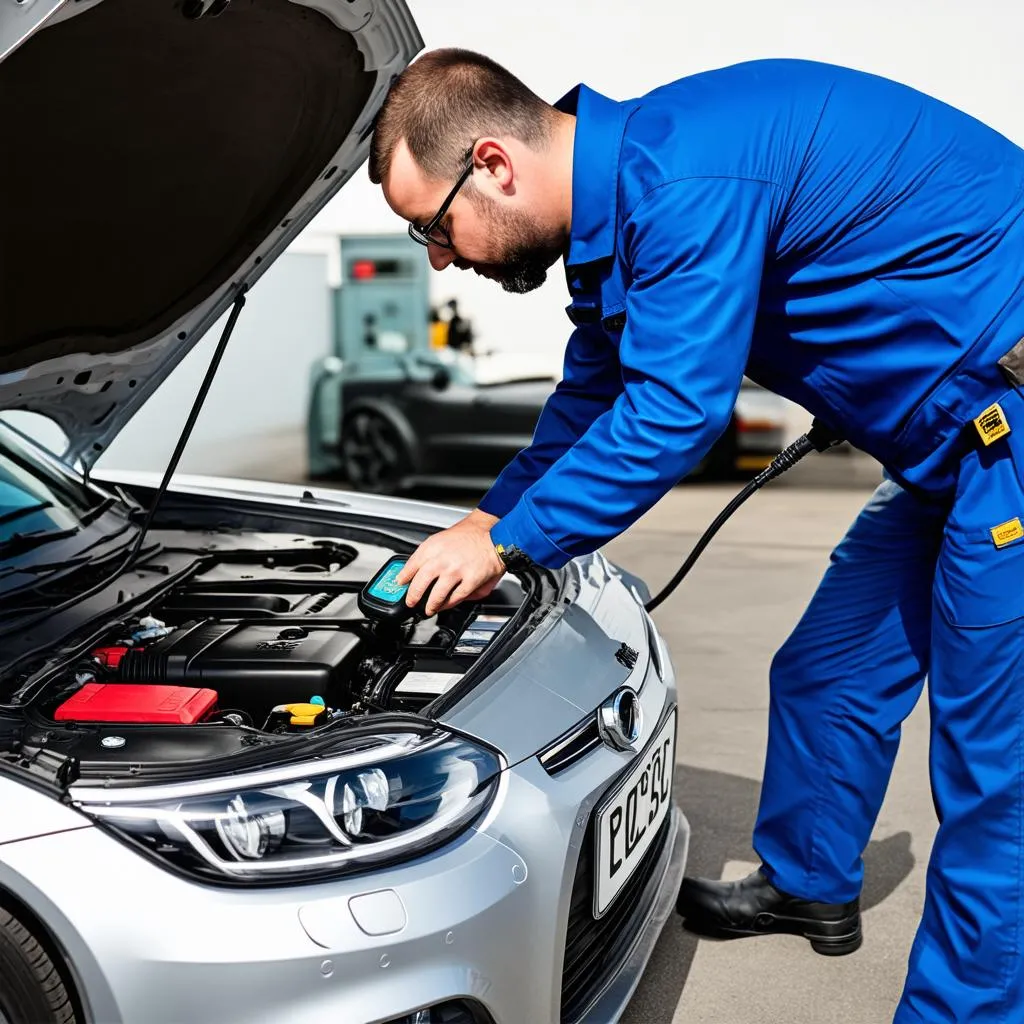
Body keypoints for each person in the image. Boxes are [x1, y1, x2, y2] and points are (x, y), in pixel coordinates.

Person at [370, 48, 1024, 1023]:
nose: (438, 257)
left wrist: (506, 548)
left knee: (993, 775)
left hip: (1005, 437)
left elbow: (674, 410)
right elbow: (592, 398)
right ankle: (809, 877)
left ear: (493, 164)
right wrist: (481, 519)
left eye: (433, 227)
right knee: (826, 672)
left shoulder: (684, 179)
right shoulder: (619, 218)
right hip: (949, 447)